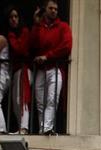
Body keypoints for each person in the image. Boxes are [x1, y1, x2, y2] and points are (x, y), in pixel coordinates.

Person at [30, 0, 72, 134]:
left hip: (55, 68)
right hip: (41, 70)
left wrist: (47, 56)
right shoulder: (40, 27)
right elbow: (32, 46)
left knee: (52, 99)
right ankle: (43, 129)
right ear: (45, 10)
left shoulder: (63, 26)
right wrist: (36, 24)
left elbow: (66, 46)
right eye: (51, 8)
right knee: (40, 102)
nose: (54, 11)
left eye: (56, 9)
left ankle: (47, 128)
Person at [7, 5, 32, 134]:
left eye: (16, 16)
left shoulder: (24, 31)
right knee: (16, 101)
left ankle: (24, 128)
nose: (13, 19)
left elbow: (20, 49)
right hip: (16, 70)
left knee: (21, 99)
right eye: (11, 17)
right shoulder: (14, 33)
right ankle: (21, 126)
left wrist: (11, 37)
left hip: (23, 69)